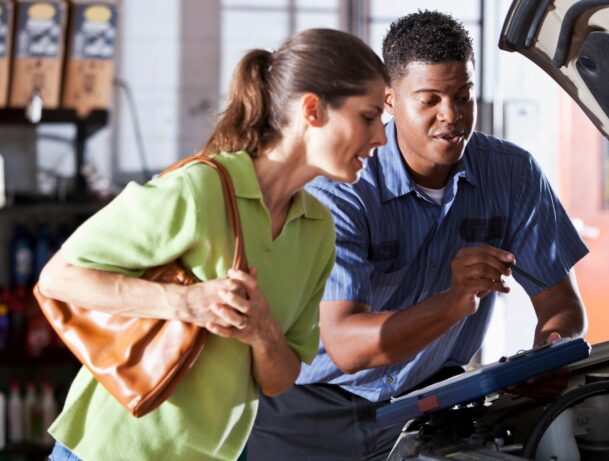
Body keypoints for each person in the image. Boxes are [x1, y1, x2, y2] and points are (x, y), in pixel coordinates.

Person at [248, 10, 589, 461]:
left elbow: (561, 306)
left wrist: (551, 350)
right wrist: (453, 302)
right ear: (389, 100)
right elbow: (347, 345)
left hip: (429, 404)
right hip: (309, 414)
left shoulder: (512, 174)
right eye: (429, 100)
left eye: (462, 96)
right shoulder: (341, 188)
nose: (451, 116)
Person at [37, 28, 389, 461]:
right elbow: (59, 277)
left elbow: (280, 379)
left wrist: (263, 333)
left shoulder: (318, 230)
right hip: (112, 449)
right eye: (369, 117)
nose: (381, 139)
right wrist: (187, 303)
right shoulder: (200, 189)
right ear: (312, 110)